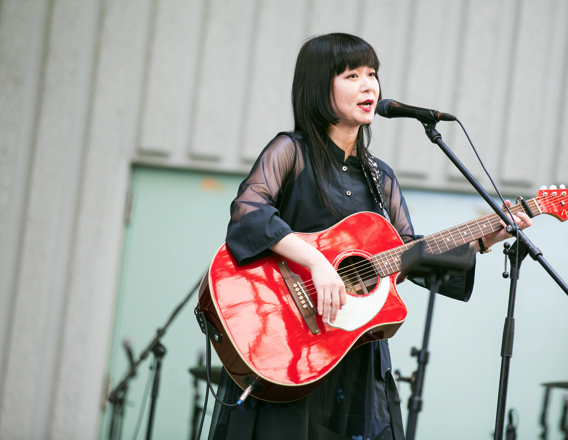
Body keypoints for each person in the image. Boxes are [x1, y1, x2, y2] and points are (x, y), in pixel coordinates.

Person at [207, 33, 532, 440]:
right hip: (290, 344)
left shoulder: (381, 178)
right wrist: (316, 262)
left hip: (355, 353)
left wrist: (485, 239)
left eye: (372, 74)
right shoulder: (291, 151)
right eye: (352, 75)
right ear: (318, 86)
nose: (368, 86)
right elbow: (248, 215)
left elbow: (410, 255)